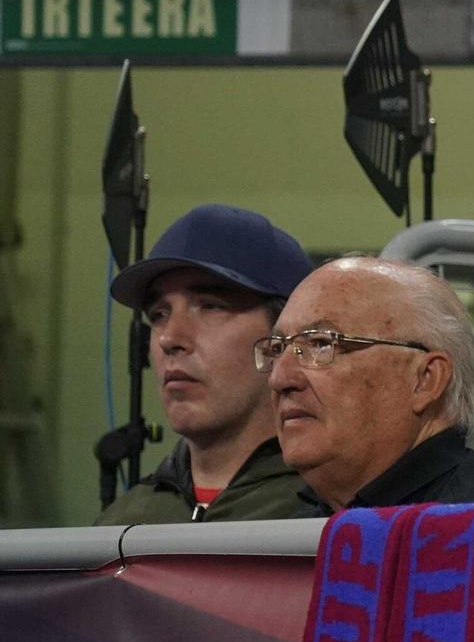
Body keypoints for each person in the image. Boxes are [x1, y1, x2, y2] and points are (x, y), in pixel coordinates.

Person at [97, 204, 314, 524]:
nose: (169, 338)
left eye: (211, 307)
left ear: (283, 341)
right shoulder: (123, 527)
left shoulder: (329, 515)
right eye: (159, 314)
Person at [260, 257, 474, 511]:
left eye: (322, 344)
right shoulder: (284, 531)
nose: (279, 378)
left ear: (425, 379)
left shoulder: (469, 541)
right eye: (277, 348)